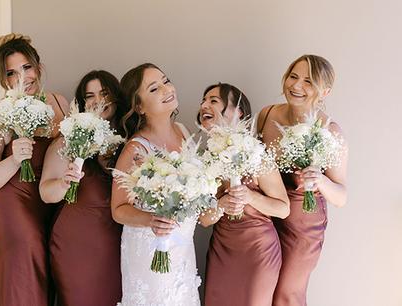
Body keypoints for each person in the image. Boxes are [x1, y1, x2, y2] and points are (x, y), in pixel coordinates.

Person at [0, 33, 69, 306]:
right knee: (24, 283)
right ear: (5, 80)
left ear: (38, 66)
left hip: (51, 203)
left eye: (26, 67)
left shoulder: (60, 103)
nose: (22, 77)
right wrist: (14, 159)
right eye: (12, 72)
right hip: (14, 208)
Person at [257, 54, 348, 306]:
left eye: (308, 81)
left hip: (303, 223)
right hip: (266, 215)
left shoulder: (330, 131)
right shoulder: (266, 115)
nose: (296, 86)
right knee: (260, 289)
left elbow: (341, 196)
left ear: (325, 91)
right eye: (293, 76)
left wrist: (319, 179)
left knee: (287, 293)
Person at [111, 63, 201, 305]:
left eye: (165, 80)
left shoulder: (183, 131)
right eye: (154, 88)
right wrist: (150, 220)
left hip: (182, 245)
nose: (166, 89)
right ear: (138, 106)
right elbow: (118, 209)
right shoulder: (136, 149)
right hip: (149, 248)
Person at [39, 70, 127, 306]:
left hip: (117, 245)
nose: (97, 100)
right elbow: (46, 193)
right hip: (76, 244)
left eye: (104, 93)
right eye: (90, 96)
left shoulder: (129, 140)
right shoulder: (69, 139)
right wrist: (64, 182)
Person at [198, 83, 289, 306]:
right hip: (222, 251)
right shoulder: (204, 160)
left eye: (213, 100)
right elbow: (204, 220)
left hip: (258, 252)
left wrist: (250, 197)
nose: (204, 105)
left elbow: (284, 209)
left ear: (238, 111)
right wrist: (221, 205)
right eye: (204, 100)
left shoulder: (257, 155)